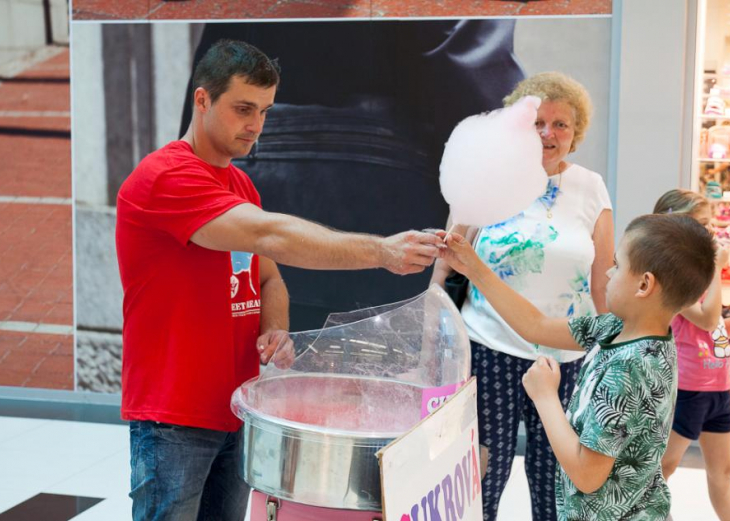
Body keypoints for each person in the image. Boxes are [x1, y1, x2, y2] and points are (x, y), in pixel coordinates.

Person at [115, 40, 443, 521]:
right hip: (174, 416)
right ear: (202, 99)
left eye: (265, 111)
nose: (256, 125)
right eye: (243, 109)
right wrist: (382, 251)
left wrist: (275, 328)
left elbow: (270, 278)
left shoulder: (241, 183)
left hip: (239, 408)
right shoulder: (165, 177)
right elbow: (273, 234)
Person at [441, 213, 717, 520]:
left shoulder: (630, 369)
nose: (609, 273)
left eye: (618, 265)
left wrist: (545, 396)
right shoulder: (620, 328)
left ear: (644, 284)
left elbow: (586, 475)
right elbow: (537, 325)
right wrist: (474, 269)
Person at [430, 71, 614, 520]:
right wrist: (431, 321)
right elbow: (449, 257)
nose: (549, 134)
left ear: (577, 133)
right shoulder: (488, 179)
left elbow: (602, 277)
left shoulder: (590, 188)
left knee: (556, 483)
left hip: (566, 357)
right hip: (489, 349)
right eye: (538, 122)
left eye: (562, 124)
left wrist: (612, 349)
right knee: (481, 479)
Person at [655, 190, 730, 520]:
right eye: (701, 224)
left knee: (723, 471)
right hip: (688, 387)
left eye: (710, 223)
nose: (710, 231)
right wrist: (716, 266)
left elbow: (716, 322)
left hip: (720, 386)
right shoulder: (671, 274)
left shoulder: (700, 270)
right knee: (664, 468)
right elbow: (706, 318)